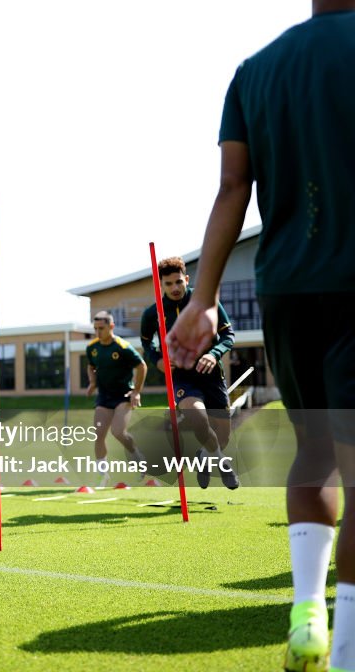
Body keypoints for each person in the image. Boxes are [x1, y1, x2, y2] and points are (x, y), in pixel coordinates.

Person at [167, 4, 355, 669]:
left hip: (289, 290)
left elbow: (230, 190)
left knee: (316, 454)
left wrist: (206, 299)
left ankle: (308, 608)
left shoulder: (255, 70)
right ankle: (349, 650)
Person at [140, 256, 239, 490]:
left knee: (222, 437)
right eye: (168, 284)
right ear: (160, 285)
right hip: (182, 376)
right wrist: (158, 360)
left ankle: (204, 456)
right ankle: (223, 464)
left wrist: (213, 354)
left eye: (178, 282)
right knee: (197, 417)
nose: (174, 288)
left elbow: (228, 336)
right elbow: (147, 344)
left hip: (211, 375)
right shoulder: (152, 314)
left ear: (186, 279)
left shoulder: (205, 301)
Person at [86, 312, 147, 488]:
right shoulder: (92, 347)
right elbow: (91, 366)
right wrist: (92, 382)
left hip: (123, 395)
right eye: (95, 329)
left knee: (118, 432)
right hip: (104, 397)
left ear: (111, 327)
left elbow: (141, 366)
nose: (98, 332)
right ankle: (102, 476)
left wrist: (136, 391)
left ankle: (137, 456)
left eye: (101, 328)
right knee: (98, 434)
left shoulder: (123, 346)